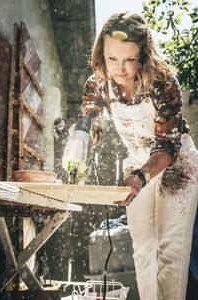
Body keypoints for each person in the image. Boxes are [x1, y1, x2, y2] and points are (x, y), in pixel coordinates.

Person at [79, 11, 198, 300]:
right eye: (112, 59)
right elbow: (89, 123)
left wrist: (139, 177)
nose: (119, 69)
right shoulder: (97, 85)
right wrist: (84, 137)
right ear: (101, 54)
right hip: (136, 159)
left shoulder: (163, 83)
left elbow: (166, 147)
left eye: (129, 60)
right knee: (143, 249)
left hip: (176, 164)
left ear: (142, 55)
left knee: (171, 251)